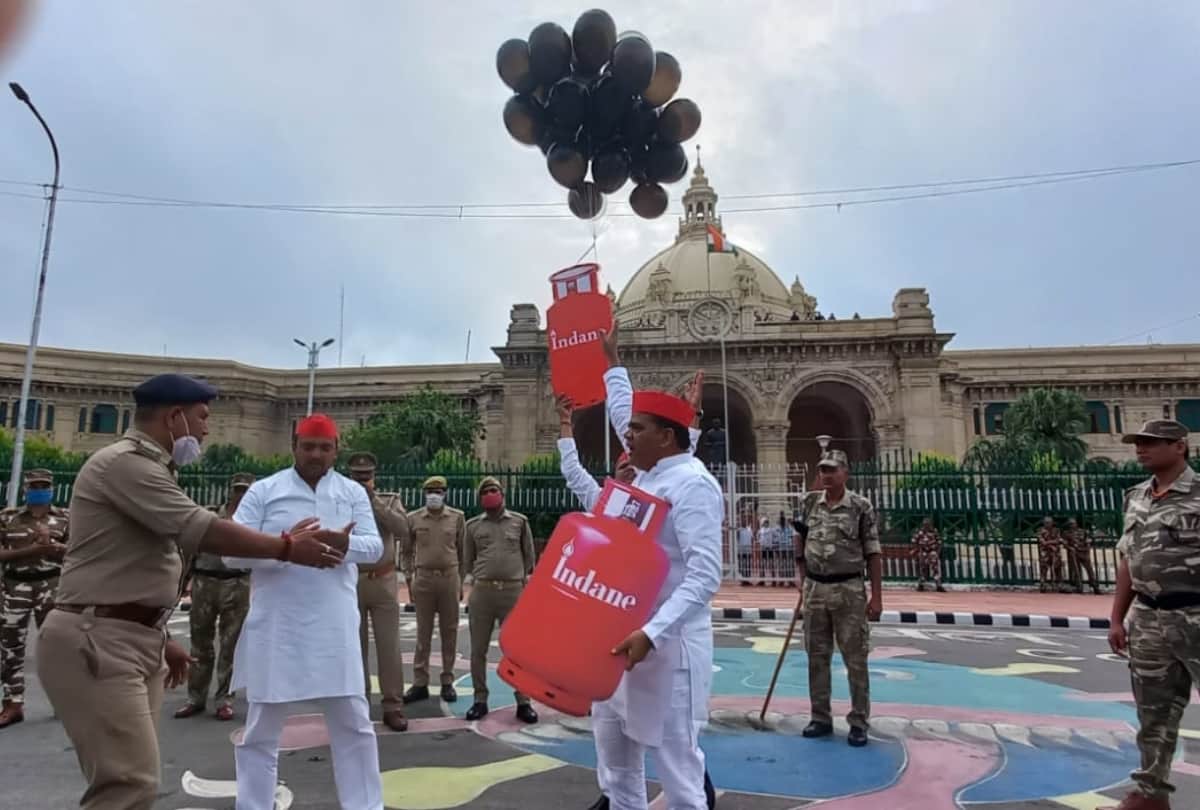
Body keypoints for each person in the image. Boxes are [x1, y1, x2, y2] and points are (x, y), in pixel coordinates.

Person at [37, 373, 347, 810]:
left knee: (130, 781)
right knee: (126, 785)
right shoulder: (126, 464)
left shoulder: (151, 468)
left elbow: (133, 568)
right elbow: (202, 530)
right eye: (201, 418)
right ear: (174, 417)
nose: (205, 429)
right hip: (98, 641)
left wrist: (157, 635)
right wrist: (288, 548)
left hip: (125, 636)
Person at [576, 329, 723, 810]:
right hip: (620, 643)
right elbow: (624, 411)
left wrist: (652, 633)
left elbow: (704, 576)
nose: (626, 436)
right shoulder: (646, 477)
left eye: (637, 431)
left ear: (666, 437)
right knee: (618, 769)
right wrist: (612, 362)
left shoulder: (693, 485)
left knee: (680, 778)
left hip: (668, 651)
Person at [226, 413, 385, 810]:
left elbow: (374, 548)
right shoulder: (265, 491)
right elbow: (230, 553)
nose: (316, 454)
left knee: (355, 726)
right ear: (294, 446)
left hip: (334, 628)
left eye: (324, 448)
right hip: (278, 628)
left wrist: (342, 545)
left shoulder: (352, 492)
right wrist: (286, 546)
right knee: (261, 731)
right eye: (309, 446)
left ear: (336, 450)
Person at [1104, 419, 1199, 810]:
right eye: (1138, 443)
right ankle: (1151, 794)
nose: (1141, 449)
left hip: (1195, 614)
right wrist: (1117, 617)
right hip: (1148, 619)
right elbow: (1129, 558)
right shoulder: (1137, 496)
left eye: (1152, 442)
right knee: (1153, 714)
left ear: (1179, 446)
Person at [794, 449, 882, 748]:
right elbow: (800, 536)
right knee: (816, 656)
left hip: (849, 590)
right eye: (823, 470)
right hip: (815, 589)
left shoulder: (860, 507)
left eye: (832, 470)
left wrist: (877, 597)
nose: (826, 475)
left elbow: (873, 551)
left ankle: (858, 721)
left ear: (845, 472)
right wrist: (801, 575)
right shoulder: (809, 502)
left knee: (855, 658)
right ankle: (820, 717)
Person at [174, 471, 255, 722]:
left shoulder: (256, 522)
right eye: (237, 489)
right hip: (205, 581)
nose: (240, 495)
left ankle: (224, 700)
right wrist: (184, 582)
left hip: (237, 582)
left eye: (245, 490)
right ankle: (195, 697)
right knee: (200, 642)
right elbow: (190, 549)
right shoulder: (210, 516)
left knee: (231, 645)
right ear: (230, 491)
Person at [461, 476, 538, 723]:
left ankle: (523, 701)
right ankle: (479, 699)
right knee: (478, 649)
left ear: (502, 494)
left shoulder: (519, 522)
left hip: (512, 591)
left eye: (494, 490)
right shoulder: (472, 526)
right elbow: (467, 559)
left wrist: (520, 578)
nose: (490, 494)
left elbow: (529, 556)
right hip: (482, 591)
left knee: (517, 649)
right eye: (485, 492)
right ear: (480, 498)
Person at [347, 451, 410, 733]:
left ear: (374, 476)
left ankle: (393, 706)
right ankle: (358, 706)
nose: (362, 481)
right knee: (353, 648)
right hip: (351, 579)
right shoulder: (340, 501)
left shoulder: (389, 500)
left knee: (389, 646)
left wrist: (372, 500)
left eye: (367, 477)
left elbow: (402, 528)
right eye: (357, 477)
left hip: (383, 578)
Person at [0, 468, 68, 728]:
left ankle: (62, 702)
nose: (39, 490)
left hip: (51, 587)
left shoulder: (64, 518)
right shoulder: (8, 517)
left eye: (44, 486)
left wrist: (53, 546)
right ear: (25, 489)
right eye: (34, 486)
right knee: (10, 647)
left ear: (51, 489)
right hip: (14, 587)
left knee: (55, 648)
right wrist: (32, 549)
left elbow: (78, 552)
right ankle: (12, 703)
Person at [402, 475, 465, 704]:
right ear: (424, 494)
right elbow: (406, 550)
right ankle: (420, 682)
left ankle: (447, 681)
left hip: (449, 577)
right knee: (423, 632)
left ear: (445, 493)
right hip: (424, 578)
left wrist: (461, 579)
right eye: (430, 492)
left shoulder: (457, 517)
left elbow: (463, 550)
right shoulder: (413, 518)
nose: (434, 496)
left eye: (438, 492)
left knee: (450, 631)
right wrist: (409, 576)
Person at [1064, 517, 1101, 595]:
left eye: (1073, 523)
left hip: (1083, 552)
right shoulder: (1066, 533)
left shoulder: (1083, 531)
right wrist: (1070, 548)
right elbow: (1065, 544)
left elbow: (1088, 541)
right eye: (1070, 524)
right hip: (1074, 553)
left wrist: (1087, 548)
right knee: (1077, 571)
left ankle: (1094, 585)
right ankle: (1079, 586)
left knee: (1089, 570)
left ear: (1076, 524)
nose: (1072, 525)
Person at [911, 517, 944, 592]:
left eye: (928, 524)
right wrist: (916, 550)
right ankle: (921, 585)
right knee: (922, 568)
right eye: (925, 524)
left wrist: (937, 552)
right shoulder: (919, 532)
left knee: (935, 568)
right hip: (923, 551)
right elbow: (914, 541)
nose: (926, 526)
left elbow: (939, 542)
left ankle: (938, 585)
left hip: (932, 551)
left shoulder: (934, 531)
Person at [1037, 516, 1065, 593]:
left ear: (1052, 523)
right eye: (1046, 523)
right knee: (1044, 569)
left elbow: (1058, 540)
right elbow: (1042, 542)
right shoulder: (1040, 530)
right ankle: (1043, 584)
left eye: (1049, 522)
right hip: (1045, 553)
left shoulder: (1056, 530)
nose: (1048, 524)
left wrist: (1048, 543)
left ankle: (1059, 584)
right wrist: (1051, 545)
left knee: (1057, 568)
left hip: (1055, 553)